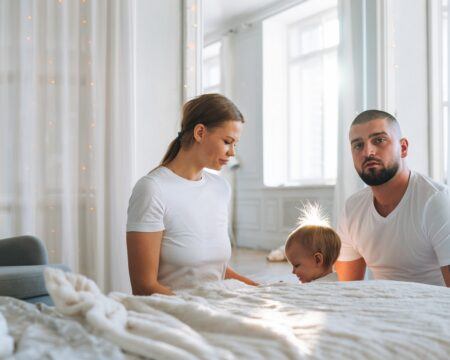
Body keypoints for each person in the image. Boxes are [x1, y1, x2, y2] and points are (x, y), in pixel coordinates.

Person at [126, 94, 257, 295]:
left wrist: (262, 290)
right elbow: (144, 287)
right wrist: (200, 309)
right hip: (173, 313)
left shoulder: (220, 188)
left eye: (235, 144)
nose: (232, 153)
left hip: (215, 305)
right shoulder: (152, 189)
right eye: (227, 141)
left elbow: (215, 272)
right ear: (200, 132)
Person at [335, 110, 450, 286]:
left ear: (403, 148)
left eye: (379, 140)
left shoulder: (436, 201)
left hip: (436, 310)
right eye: (358, 145)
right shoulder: (353, 208)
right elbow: (348, 290)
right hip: (385, 309)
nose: (368, 152)